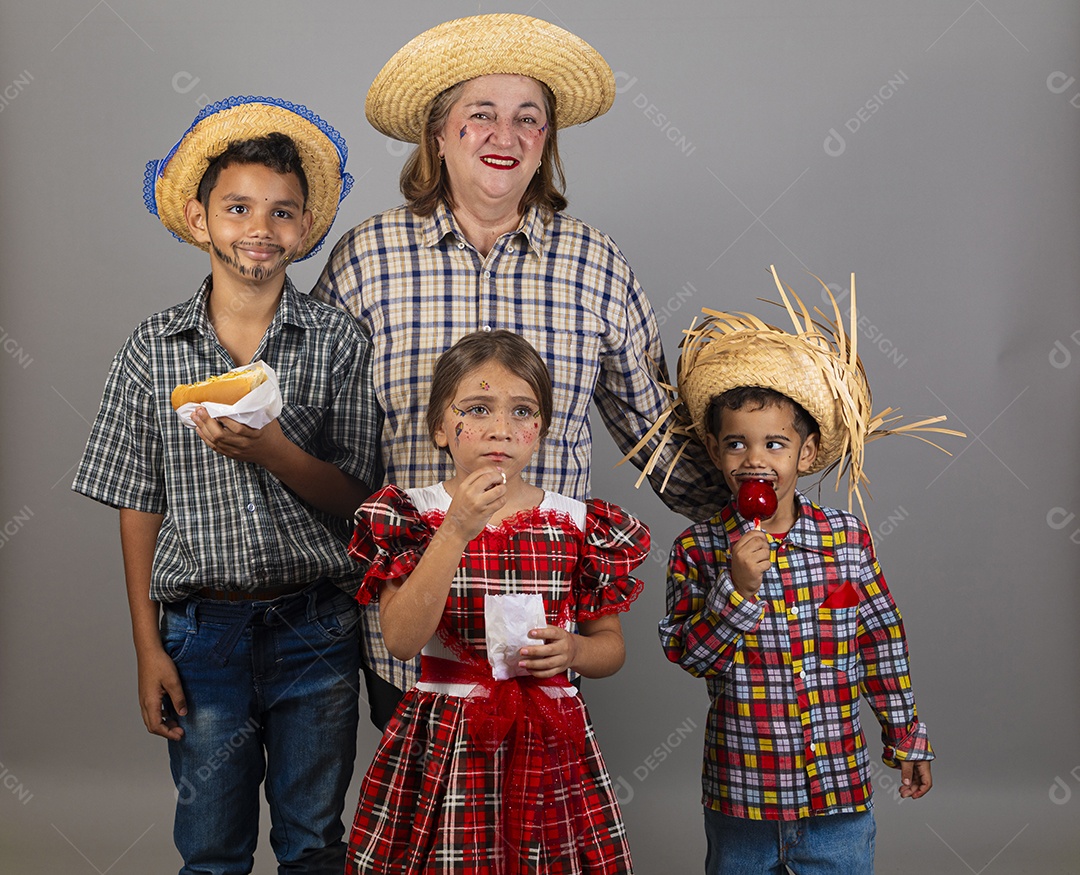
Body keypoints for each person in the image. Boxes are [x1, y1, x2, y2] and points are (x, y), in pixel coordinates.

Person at [314, 12, 729, 727]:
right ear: (439, 134)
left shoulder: (594, 263)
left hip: (543, 630)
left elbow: (655, 432)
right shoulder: (366, 259)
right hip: (413, 631)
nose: (504, 136)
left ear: (546, 144)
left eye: (528, 119)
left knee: (531, 825)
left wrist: (754, 502)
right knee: (433, 825)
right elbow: (326, 440)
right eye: (481, 115)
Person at [72, 96, 382, 874]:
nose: (261, 229)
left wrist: (276, 452)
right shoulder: (154, 347)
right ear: (198, 216)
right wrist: (148, 646)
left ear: (305, 228)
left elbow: (362, 499)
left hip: (317, 628)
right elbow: (139, 502)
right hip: (201, 633)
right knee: (211, 846)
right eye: (238, 207)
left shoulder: (337, 339)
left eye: (283, 213)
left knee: (313, 839)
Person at [654, 268, 955, 873]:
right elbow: (689, 656)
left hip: (837, 794)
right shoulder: (698, 548)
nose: (754, 460)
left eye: (774, 445)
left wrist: (906, 736)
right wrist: (736, 592)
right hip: (744, 796)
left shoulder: (846, 541)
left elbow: (880, 642)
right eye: (736, 444)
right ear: (714, 451)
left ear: (806, 453)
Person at [344, 329, 648, 874]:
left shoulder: (581, 526)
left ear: (543, 429)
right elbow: (402, 639)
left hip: (547, 737)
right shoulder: (411, 516)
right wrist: (456, 529)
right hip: (447, 732)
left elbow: (610, 650)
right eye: (478, 409)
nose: (500, 430)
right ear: (441, 427)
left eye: (522, 411)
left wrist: (574, 651)